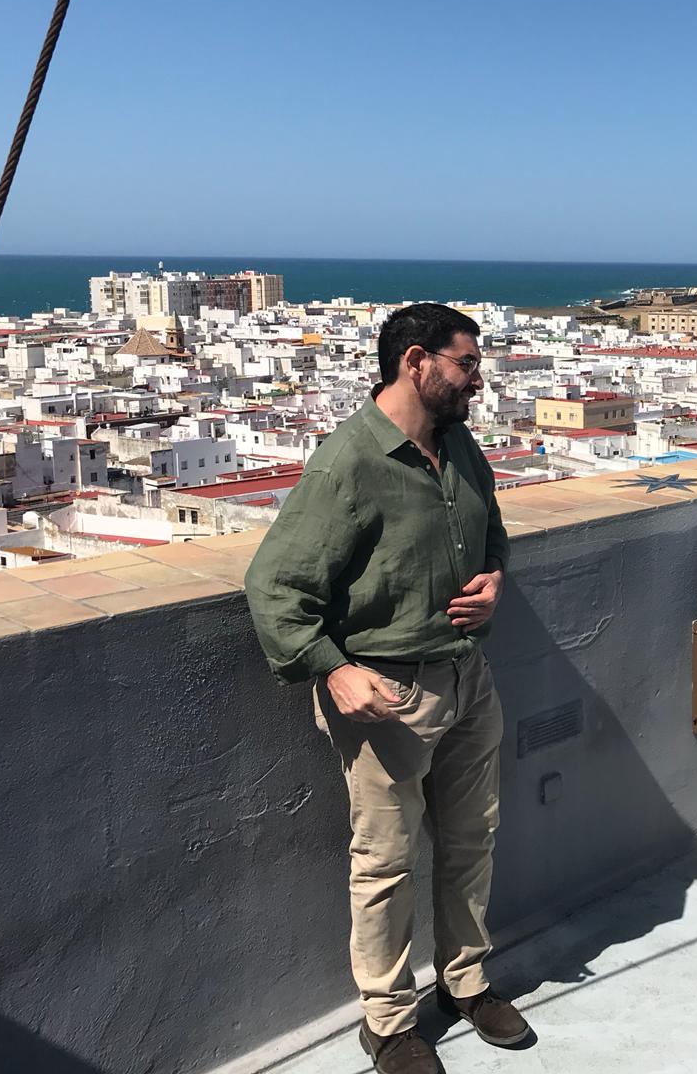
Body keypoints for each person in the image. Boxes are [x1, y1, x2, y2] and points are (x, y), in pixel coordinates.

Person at [245, 303, 528, 1074]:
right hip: (389, 695)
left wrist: (494, 580)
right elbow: (274, 587)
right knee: (387, 862)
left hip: (469, 678)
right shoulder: (349, 463)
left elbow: (493, 528)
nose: (478, 376)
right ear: (416, 363)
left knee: (473, 838)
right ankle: (388, 1021)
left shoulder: (459, 445)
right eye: (466, 363)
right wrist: (333, 668)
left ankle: (465, 981)